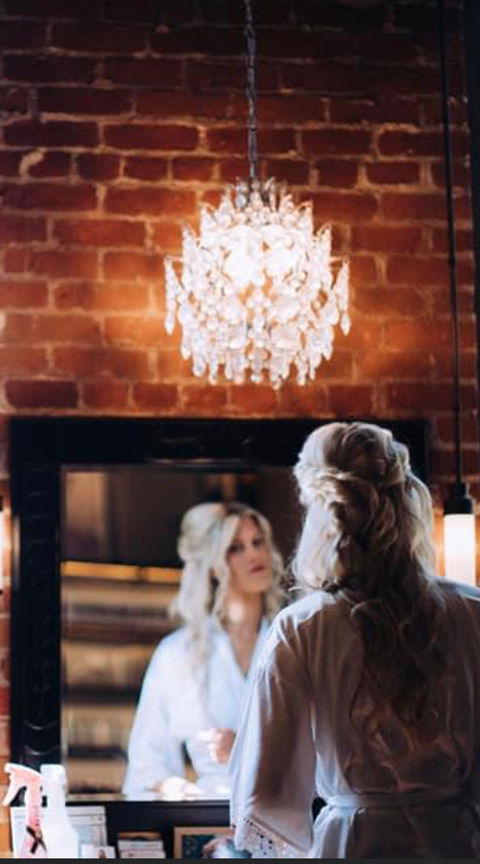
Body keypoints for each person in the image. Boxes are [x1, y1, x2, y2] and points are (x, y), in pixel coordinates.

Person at [230, 421, 480, 858]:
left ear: (321, 513)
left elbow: (265, 795)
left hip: (354, 845)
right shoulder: (471, 612)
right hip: (454, 841)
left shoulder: (303, 627)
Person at [122, 500, 285, 798]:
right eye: (235, 548)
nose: (253, 554)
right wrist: (180, 789)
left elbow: (323, 749)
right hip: (210, 816)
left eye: (257, 542)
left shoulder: (292, 642)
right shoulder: (179, 653)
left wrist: (245, 746)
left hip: (289, 818)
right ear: (212, 565)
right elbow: (147, 762)